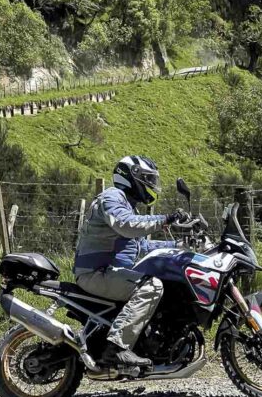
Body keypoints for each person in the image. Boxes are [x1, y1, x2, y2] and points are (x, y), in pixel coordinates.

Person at [74, 156, 185, 367]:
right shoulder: (112, 197)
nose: (151, 184)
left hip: (109, 272)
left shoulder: (128, 206)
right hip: (96, 272)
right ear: (132, 177)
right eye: (148, 179)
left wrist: (179, 246)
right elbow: (125, 224)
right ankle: (116, 348)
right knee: (152, 287)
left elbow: (142, 247)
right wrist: (165, 219)